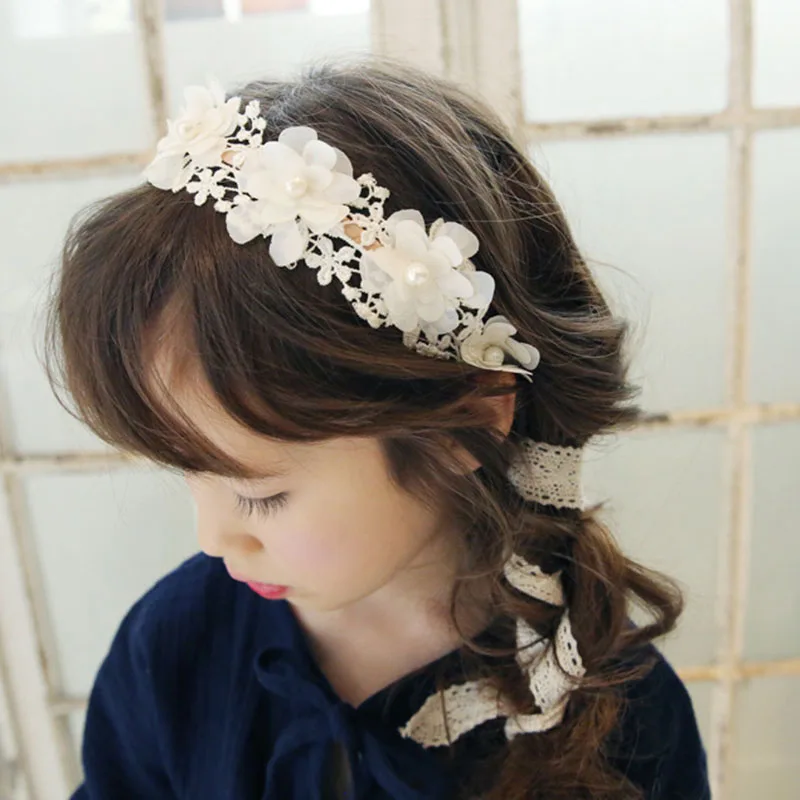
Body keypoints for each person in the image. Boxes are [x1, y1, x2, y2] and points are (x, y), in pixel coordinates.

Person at [47, 58, 710, 800]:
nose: (213, 538)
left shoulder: (615, 707)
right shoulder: (175, 644)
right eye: (189, 475)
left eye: (261, 495)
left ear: (465, 420)